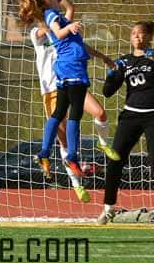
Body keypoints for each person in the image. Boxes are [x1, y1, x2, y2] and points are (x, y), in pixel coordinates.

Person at [18, 0, 113, 179]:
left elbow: (70, 19)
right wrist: (47, 13)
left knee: (98, 112)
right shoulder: (41, 28)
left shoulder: (56, 19)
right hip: (55, 82)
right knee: (66, 131)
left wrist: (63, 4)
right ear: (44, 1)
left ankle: (96, 146)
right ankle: (73, 175)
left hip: (68, 74)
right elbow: (52, 30)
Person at [98, 21, 154, 227]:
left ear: (150, 36)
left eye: (142, 34)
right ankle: (108, 208)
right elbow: (107, 92)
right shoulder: (124, 61)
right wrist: (113, 73)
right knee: (115, 159)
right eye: (134, 34)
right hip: (131, 115)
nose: (137, 37)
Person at [30, 24, 119, 204]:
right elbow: (45, 29)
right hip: (53, 90)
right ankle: (77, 184)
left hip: (73, 80)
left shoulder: (62, 28)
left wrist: (102, 56)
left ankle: (103, 144)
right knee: (65, 141)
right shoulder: (38, 32)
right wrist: (50, 18)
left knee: (100, 113)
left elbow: (80, 45)